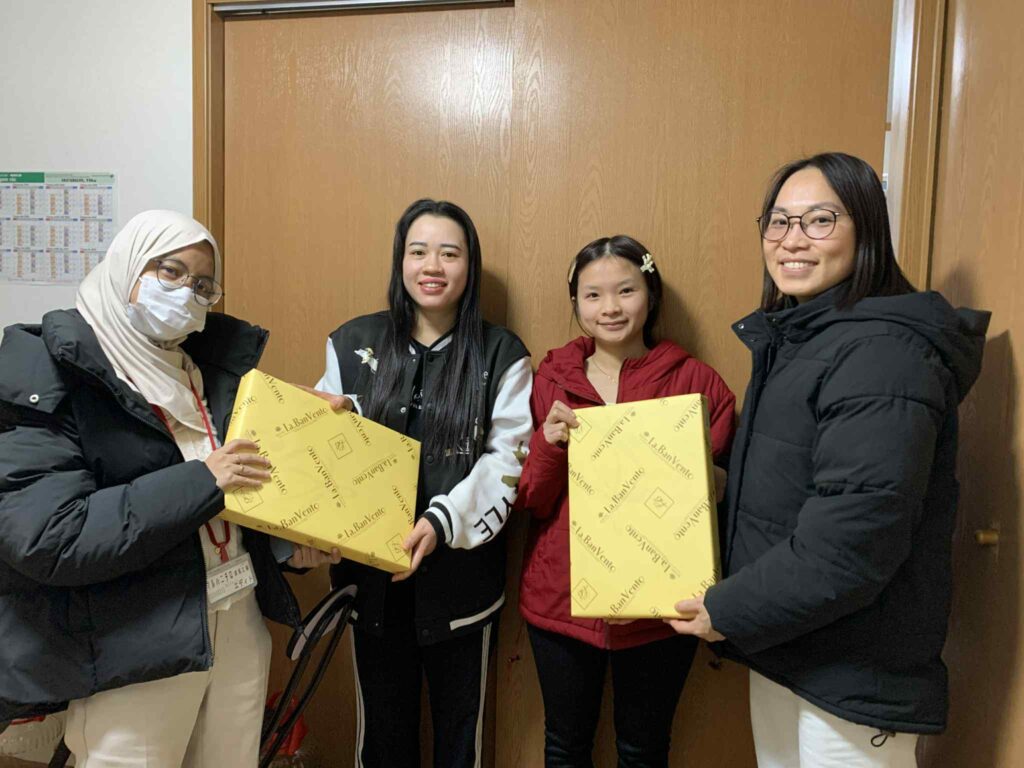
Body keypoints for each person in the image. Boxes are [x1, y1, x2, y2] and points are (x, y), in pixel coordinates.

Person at [668, 152, 991, 767]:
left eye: (820, 220)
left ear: (867, 230)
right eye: (779, 221)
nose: (792, 240)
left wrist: (727, 609)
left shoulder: (883, 353)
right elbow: (793, 486)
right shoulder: (802, 337)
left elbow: (855, 538)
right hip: (790, 645)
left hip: (854, 667)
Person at [0, 210, 335, 767]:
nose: (185, 293)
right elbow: (50, 536)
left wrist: (289, 546)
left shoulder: (207, 374)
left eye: (203, 285)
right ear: (127, 267)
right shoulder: (52, 372)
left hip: (237, 620)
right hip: (133, 642)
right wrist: (202, 480)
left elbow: (236, 500)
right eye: (170, 272)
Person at [311, 198, 533, 767]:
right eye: (418, 252)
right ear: (400, 261)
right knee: (381, 741)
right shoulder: (351, 342)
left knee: (461, 743)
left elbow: (505, 459)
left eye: (449, 253)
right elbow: (327, 450)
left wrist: (439, 522)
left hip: (462, 584)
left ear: (469, 265)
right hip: (370, 582)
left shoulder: (502, 353)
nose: (432, 266)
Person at [515, 235, 736, 767]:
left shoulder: (696, 383)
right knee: (564, 747)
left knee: (644, 750)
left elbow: (724, 498)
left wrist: (707, 478)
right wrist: (549, 444)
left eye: (626, 290)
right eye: (593, 295)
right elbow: (533, 500)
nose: (610, 308)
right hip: (561, 598)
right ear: (576, 303)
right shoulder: (551, 379)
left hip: (663, 608)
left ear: (651, 295)